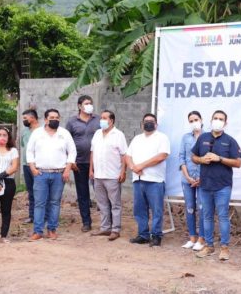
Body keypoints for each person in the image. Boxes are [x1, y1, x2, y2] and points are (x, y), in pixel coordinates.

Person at [192, 110, 241, 261]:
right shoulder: (202, 138)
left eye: (221, 119)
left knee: (222, 217)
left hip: (223, 186)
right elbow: (193, 156)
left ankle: (225, 248)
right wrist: (201, 160)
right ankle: (209, 246)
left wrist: (219, 158)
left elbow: (238, 162)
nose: (217, 121)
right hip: (205, 185)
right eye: (215, 118)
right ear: (211, 120)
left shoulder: (230, 141)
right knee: (206, 217)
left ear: (225, 123)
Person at [27, 109, 76, 241]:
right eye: (52, 117)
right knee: (39, 203)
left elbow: (72, 152)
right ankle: (38, 231)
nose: (54, 119)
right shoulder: (37, 133)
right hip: (40, 173)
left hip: (59, 174)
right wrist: (32, 168)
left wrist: (67, 169)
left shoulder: (64, 133)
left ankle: (52, 229)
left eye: (57, 117)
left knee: (54, 203)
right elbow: (29, 151)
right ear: (46, 119)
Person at [126, 113, 170, 247]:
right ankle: (143, 235)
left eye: (151, 121)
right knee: (139, 209)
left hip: (155, 180)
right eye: (146, 121)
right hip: (138, 179)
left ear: (156, 124)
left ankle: (156, 236)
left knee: (156, 210)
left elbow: (161, 156)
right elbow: (128, 156)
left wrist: (141, 165)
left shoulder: (162, 138)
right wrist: (133, 167)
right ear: (141, 124)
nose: (148, 123)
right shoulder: (137, 139)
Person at [89, 110, 127, 241]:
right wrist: (91, 170)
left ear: (112, 121)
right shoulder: (97, 134)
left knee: (115, 204)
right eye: (101, 118)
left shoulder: (118, 135)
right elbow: (92, 153)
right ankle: (105, 228)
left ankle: (115, 229)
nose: (102, 120)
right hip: (98, 175)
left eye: (105, 118)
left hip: (113, 175)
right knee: (102, 204)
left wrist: (123, 172)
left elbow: (124, 155)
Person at [65, 95, 100, 233]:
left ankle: (107, 222)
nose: (89, 105)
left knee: (101, 191)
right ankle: (86, 221)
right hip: (79, 163)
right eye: (86, 103)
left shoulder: (98, 120)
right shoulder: (72, 122)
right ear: (79, 106)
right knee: (82, 193)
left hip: (97, 162)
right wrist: (70, 161)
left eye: (90, 103)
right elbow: (67, 142)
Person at [179, 111, 205, 251]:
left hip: (203, 180)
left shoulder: (208, 137)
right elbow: (181, 157)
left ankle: (201, 239)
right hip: (187, 179)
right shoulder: (185, 138)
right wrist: (188, 177)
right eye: (191, 120)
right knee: (190, 208)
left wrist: (201, 178)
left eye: (196, 119)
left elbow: (209, 159)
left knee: (202, 208)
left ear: (201, 120)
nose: (194, 122)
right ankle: (192, 238)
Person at [21, 109, 40, 224]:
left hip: (38, 165)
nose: (24, 121)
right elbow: (23, 145)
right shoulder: (24, 131)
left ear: (32, 118)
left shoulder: (42, 131)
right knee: (31, 191)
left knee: (40, 191)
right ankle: (32, 216)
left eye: (25, 118)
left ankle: (43, 216)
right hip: (26, 164)